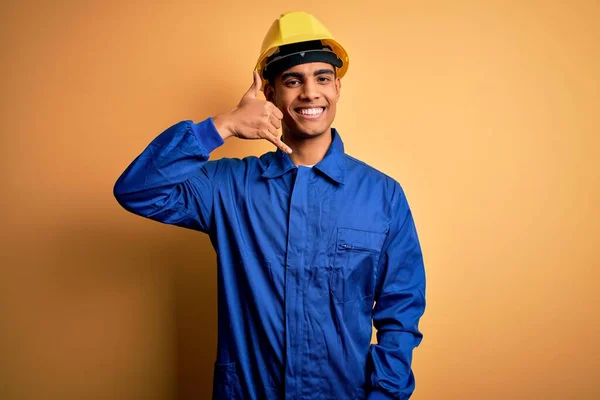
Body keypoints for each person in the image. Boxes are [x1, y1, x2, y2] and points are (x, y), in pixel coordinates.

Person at [114, 10, 426, 400]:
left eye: (323, 78)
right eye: (293, 80)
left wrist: (385, 394)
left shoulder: (382, 195)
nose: (310, 92)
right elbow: (137, 189)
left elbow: (402, 310)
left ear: (338, 88)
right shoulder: (228, 187)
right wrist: (222, 126)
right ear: (270, 94)